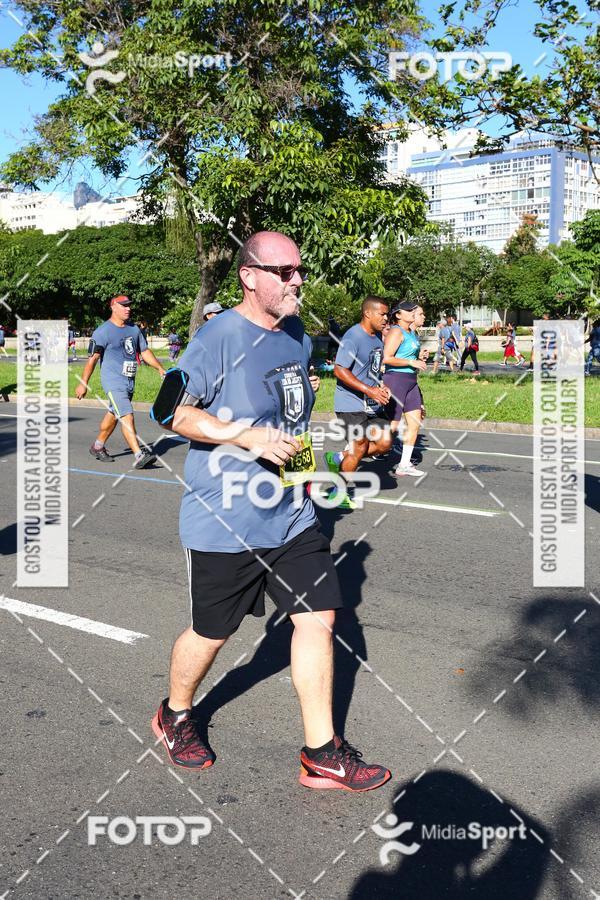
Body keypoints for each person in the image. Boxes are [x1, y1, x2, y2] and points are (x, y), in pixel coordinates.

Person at [151, 231, 391, 792]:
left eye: (298, 270)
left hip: (291, 515)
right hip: (226, 519)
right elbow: (170, 412)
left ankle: (322, 754)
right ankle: (175, 714)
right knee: (212, 633)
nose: (296, 280)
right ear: (249, 276)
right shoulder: (217, 338)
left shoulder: (298, 336)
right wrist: (245, 435)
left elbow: (292, 420)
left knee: (319, 618)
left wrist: (304, 480)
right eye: (284, 272)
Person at [76, 295, 166, 467]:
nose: (128, 309)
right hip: (113, 381)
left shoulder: (134, 329)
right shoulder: (102, 331)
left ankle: (98, 446)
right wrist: (83, 383)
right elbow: (92, 359)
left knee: (114, 414)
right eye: (124, 306)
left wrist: (159, 368)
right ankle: (139, 455)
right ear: (113, 307)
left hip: (129, 381)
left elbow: (144, 351)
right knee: (126, 415)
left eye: (129, 305)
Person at [325, 297, 392, 509]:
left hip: (372, 402)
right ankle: (338, 493)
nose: (385, 318)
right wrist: (368, 389)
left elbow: (371, 370)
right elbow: (339, 370)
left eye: (387, 314)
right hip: (350, 402)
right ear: (367, 313)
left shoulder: (377, 337)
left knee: (385, 443)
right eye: (382, 314)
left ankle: (339, 457)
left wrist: (380, 386)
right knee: (359, 445)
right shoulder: (353, 337)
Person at [382, 302, 428, 477]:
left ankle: (404, 464)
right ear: (398, 315)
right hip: (396, 380)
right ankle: (354, 449)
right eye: (408, 311)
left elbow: (407, 355)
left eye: (412, 310)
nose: (412, 313)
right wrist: (411, 362)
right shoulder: (396, 331)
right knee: (392, 425)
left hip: (411, 381)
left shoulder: (411, 333)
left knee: (415, 422)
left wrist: (420, 357)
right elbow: (387, 358)